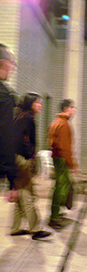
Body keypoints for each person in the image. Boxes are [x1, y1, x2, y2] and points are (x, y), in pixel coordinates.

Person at [11, 92, 52, 240]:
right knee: (28, 194)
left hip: (16, 159)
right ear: (30, 104)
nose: (40, 105)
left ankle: (15, 227)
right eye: (38, 103)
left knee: (22, 193)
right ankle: (35, 228)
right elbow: (21, 140)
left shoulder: (20, 116)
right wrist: (29, 156)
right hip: (22, 160)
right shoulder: (27, 118)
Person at [48, 99, 79, 229]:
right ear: (67, 108)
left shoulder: (55, 122)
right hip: (62, 159)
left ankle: (56, 213)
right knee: (61, 188)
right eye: (73, 107)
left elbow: (51, 142)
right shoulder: (64, 124)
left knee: (59, 187)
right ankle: (54, 217)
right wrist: (72, 164)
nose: (74, 110)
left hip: (57, 158)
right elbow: (65, 147)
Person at [0, 43, 18, 201]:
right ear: (4, 63)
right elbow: (6, 137)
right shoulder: (4, 96)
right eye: (12, 63)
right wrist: (12, 181)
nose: (12, 68)